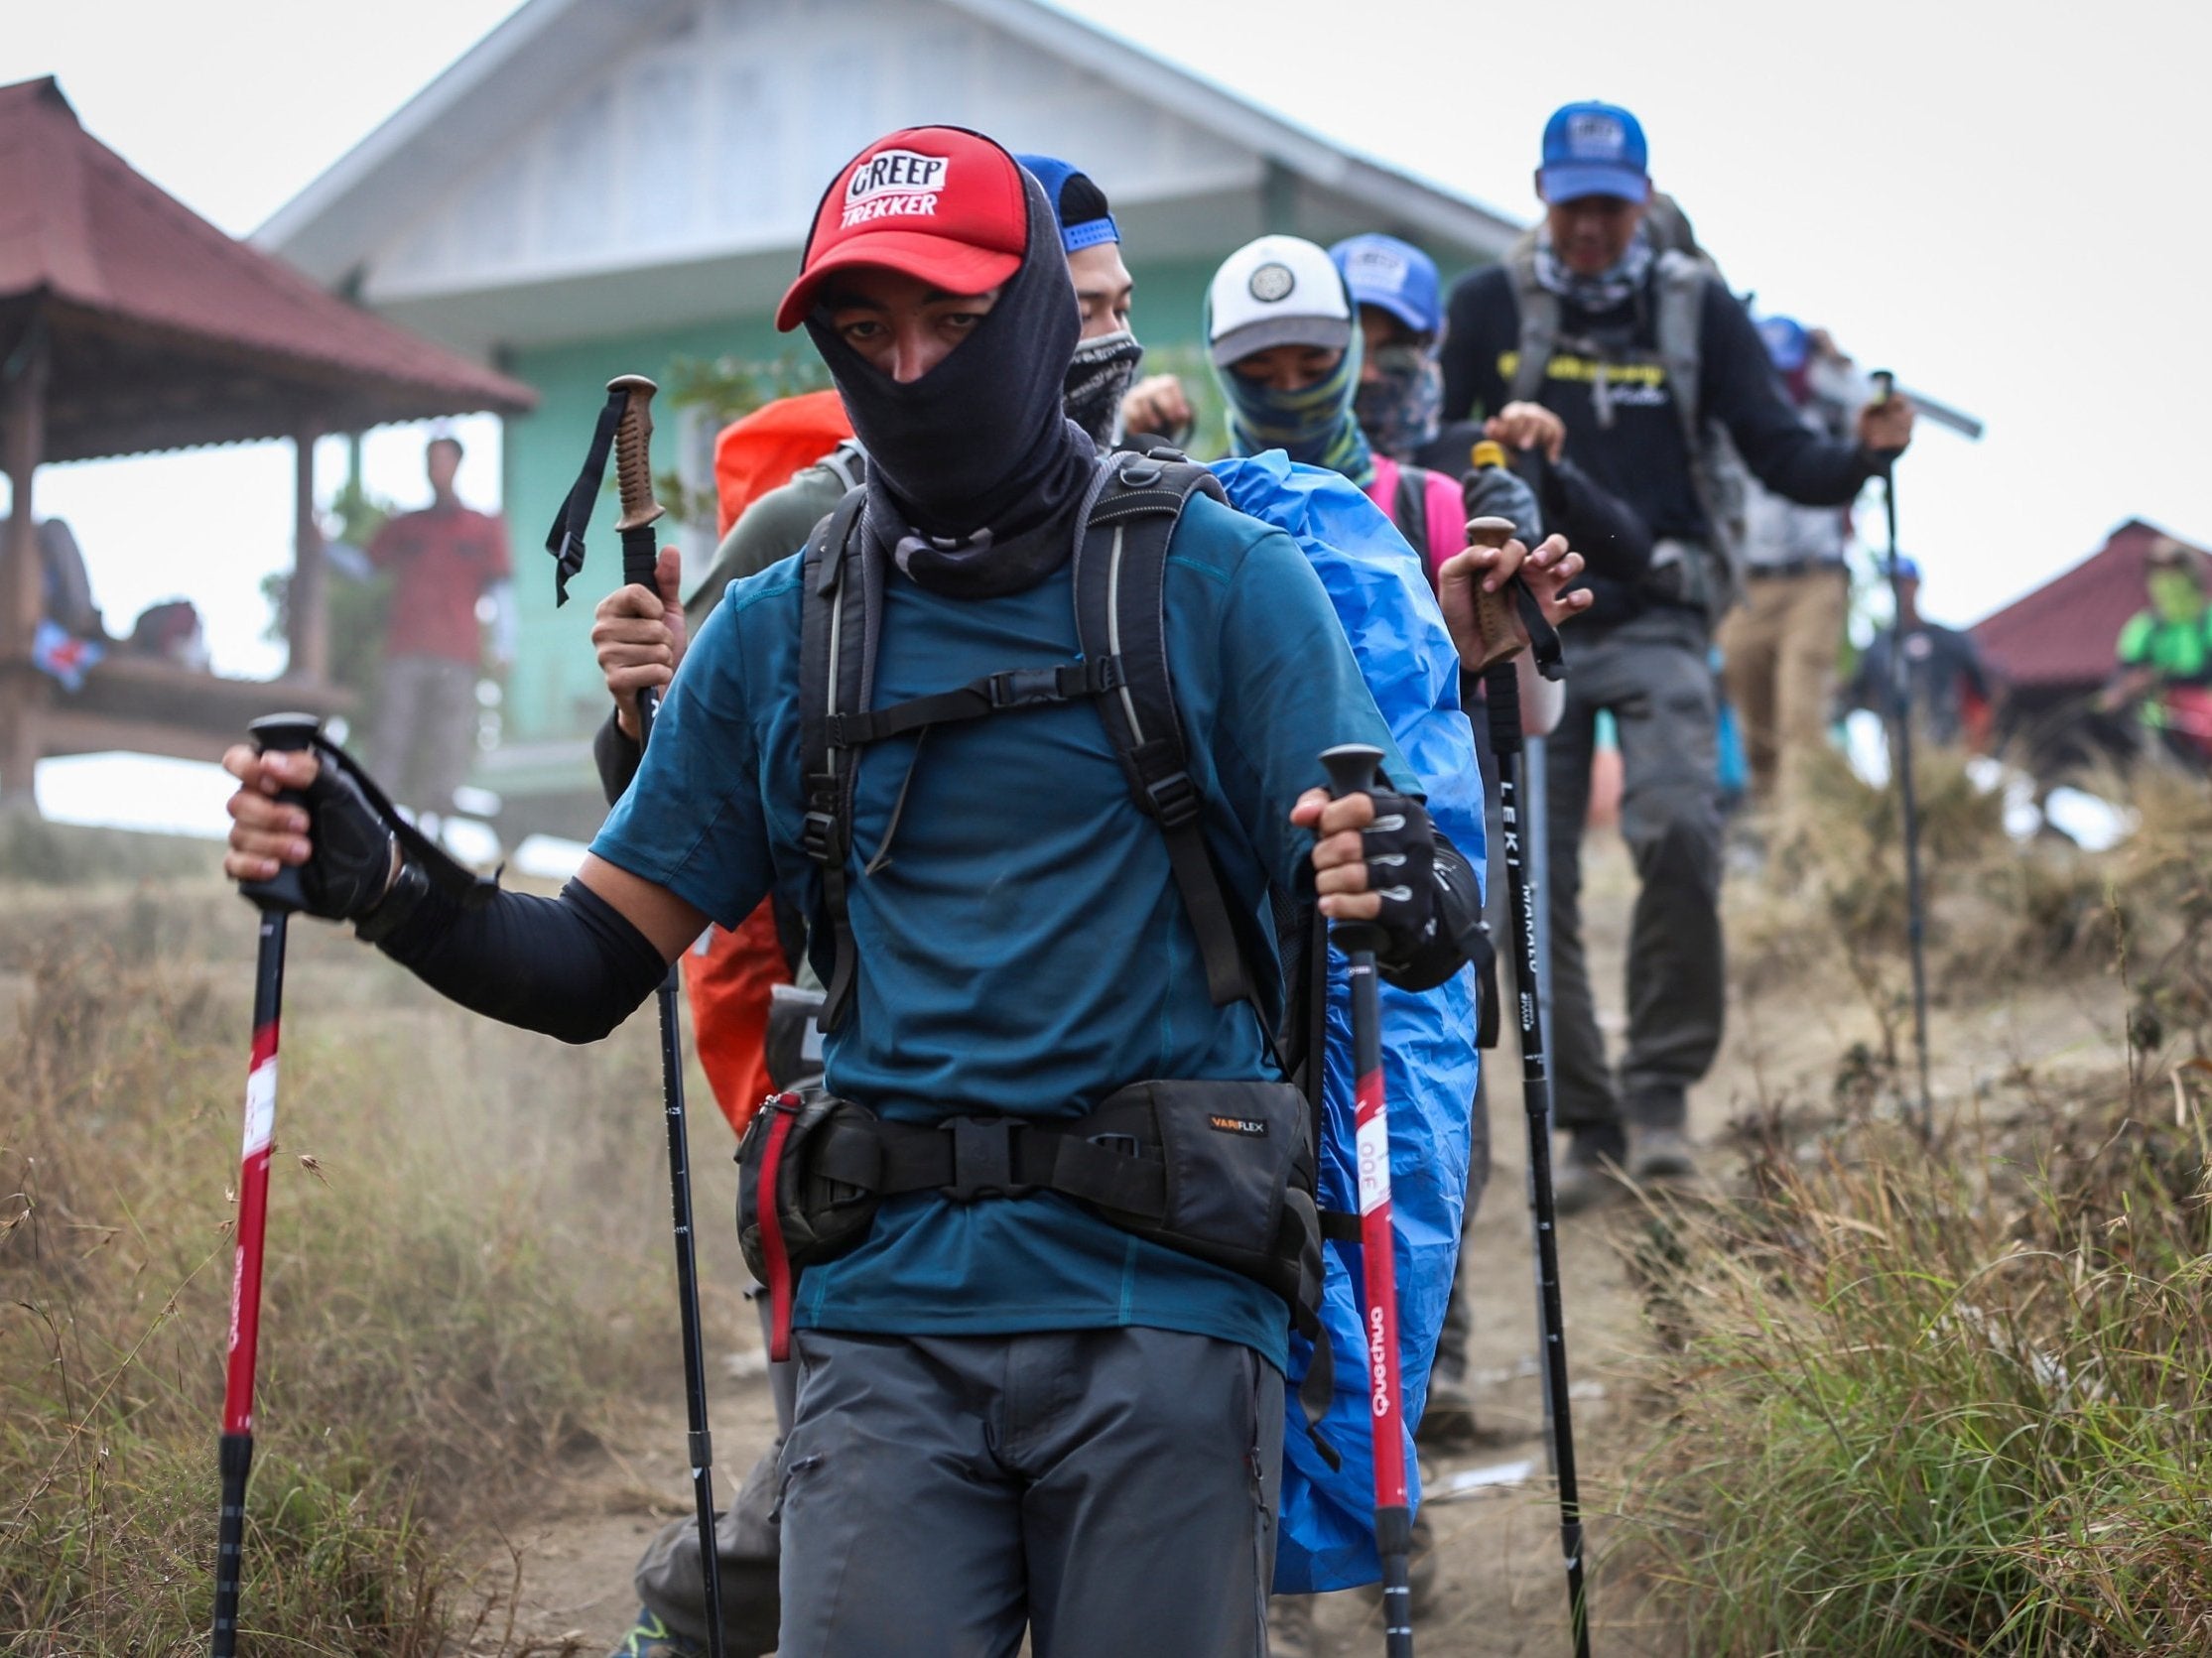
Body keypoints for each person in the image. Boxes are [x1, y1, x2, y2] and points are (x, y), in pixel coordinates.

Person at [225, 126, 1515, 1658]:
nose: (908, 367)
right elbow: (582, 967)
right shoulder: (781, 628)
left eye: (955, 322)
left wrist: (1395, 884)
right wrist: (385, 876)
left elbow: (1420, 903)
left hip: (1168, 1307)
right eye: (864, 329)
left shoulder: (1221, 580)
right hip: (884, 1328)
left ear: (1036, 314)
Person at [594, 151, 1167, 1658]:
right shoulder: (807, 535)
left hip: (1115, 1165)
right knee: (845, 1484)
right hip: (828, 1070)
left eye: (1116, 310)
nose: (1107, 342)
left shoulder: (1174, 543)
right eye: (1082, 305)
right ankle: (697, 1609)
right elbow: (689, 790)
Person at [1436, 100, 1915, 1202]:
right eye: (1571, 206)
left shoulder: (1695, 309)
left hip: (1659, 615)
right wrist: (1489, 448)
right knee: (1530, 882)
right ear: (1542, 194)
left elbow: (1781, 451)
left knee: (1683, 835)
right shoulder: (1488, 304)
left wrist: (1864, 461)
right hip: (1528, 625)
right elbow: (1427, 441)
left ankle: (1660, 1096)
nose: (1589, 228)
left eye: (1608, 206)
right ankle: (1587, 1123)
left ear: (1643, 200)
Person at [1718, 316, 1865, 810]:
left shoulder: (1826, 409)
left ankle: (1806, 831)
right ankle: (1774, 827)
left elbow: (1875, 420)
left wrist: (1839, 361)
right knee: (1753, 723)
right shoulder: (1736, 410)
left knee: (1801, 713)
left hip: (1814, 578)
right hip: (1748, 583)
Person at [364, 434, 513, 817]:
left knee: (448, 744)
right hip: (406, 650)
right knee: (392, 737)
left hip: (457, 654)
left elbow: (500, 590)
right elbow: (366, 566)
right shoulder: (407, 526)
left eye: (444, 461)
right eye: (431, 461)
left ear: (458, 465)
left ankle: (438, 826)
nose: (437, 469)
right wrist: (322, 546)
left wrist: (504, 644)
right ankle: (378, 820)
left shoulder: (481, 527)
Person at [1842, 556, 1993, 755]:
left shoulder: (1949, 640)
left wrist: (1974, 743)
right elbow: (1857, 695)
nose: (1900, 590)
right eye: (1893, 584)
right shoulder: (1878, 647)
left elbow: (1982, 693)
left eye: (1905, 582)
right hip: (1899, 750)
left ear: (1917, 584)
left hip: (1949, 747)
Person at [2097, 537, 2212, 770]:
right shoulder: (2144, 629)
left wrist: (2159, 678)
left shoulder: (2207, 622)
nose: (2168, 582)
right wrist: (2120, 691)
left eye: (2175, 571)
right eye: (2160, 573)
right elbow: (2122, 675)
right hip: (2159, 723)